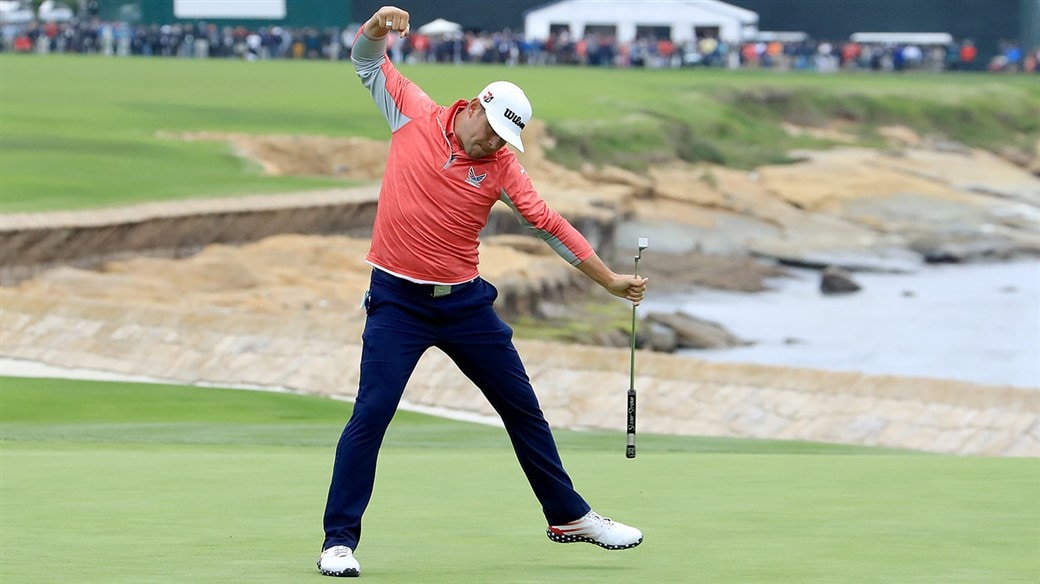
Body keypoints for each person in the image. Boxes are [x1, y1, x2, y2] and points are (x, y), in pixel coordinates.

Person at [318, 6, 647, 578]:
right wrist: (375, 28)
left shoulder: (499, 166)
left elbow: (550, 224)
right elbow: (368, 62)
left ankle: (568, 516)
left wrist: (611, 282)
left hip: (466, 305)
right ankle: (338, 542)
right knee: (371, 415)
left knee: (524, 410)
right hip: (397, 301)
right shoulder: (413, 116)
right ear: (473, 106)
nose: (493, 144)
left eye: (504, 139)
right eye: (491, 130)